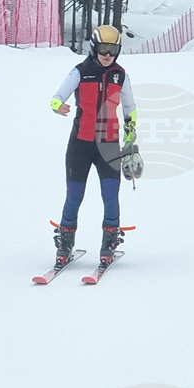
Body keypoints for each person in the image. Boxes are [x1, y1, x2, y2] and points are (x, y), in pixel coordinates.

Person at [50, 25, 137, 267]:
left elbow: (130, 109)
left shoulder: (121, 75)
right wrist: (58, 106)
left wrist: (131, 136)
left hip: (108, 144)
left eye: (112, 49)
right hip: (80, 144)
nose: (107, 54)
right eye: (103, 49)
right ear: (93, 47)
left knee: (110, 196)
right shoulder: (80, 72)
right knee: (74, 195)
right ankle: (65, 241)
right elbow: (57, 97)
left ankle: (109, 241)